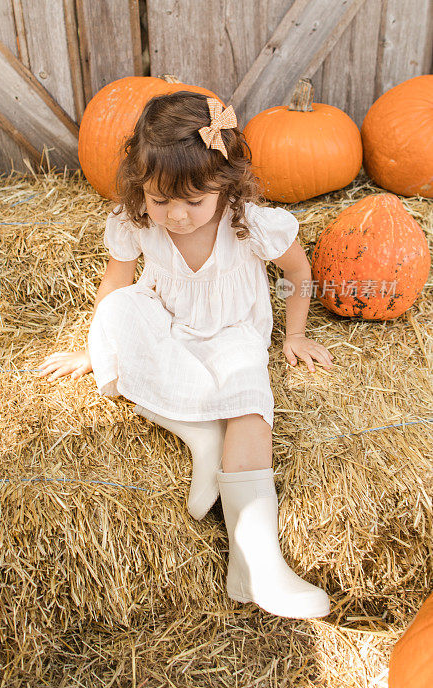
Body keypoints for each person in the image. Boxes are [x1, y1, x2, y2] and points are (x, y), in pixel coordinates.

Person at [38, 91, 335, 620]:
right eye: (159, 200)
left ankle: (262, 560)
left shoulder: (251, 223)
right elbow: (116, 284)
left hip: (233, 333)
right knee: (117, 317)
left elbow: (298, 275)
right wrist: (93, 350)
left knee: (248, 401)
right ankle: (201, 436)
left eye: (193, 202)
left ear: (226, 184)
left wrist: (293, 335)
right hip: (168, 323)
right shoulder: (135, 222)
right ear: (141, 188)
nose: (175, 216)